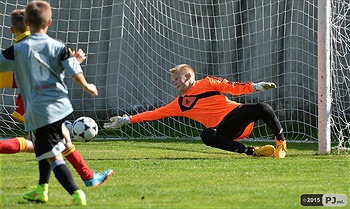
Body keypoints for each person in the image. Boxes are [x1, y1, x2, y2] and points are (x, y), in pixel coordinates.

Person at [0, 1, 105, 205]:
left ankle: (76, 192)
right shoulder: (58, 46)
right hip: (60, 106)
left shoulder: (18, 50)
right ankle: (46, 188)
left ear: (22, 25)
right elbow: (71, 69)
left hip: (38, 110)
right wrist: (86, 84)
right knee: (50, 147)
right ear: (49, 22)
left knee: (53, 153)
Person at [104, 64, 287, 158]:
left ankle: (281, 144)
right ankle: (253, 152)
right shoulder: (179, 103)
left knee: (263, 108)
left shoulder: (207, 83)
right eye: (173, 81)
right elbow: (153, 114)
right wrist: (126, 120)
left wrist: (255, 87)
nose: (174, 83)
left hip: (236, 114)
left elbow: (232, 87)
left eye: (177, 79)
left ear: (189, 76)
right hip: (224, 130)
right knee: (206, 135)